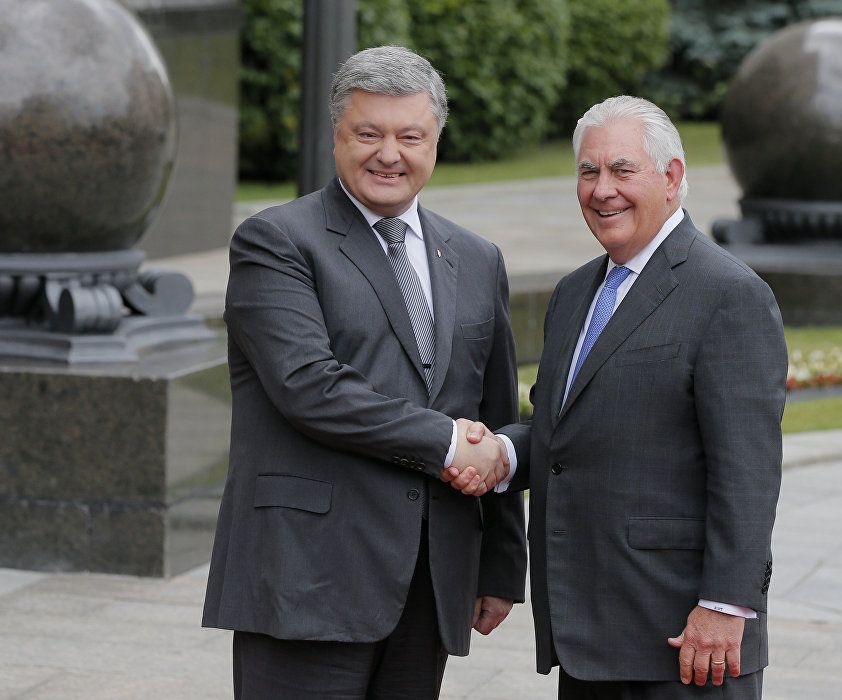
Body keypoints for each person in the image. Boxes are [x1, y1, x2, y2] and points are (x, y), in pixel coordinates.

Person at [202, 45, 526, 699]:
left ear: (436, 141)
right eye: (368, 134)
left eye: (410, 137)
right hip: (307, 575)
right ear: (336, 136)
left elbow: (494, 410)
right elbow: (309, 386)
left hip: (430, 580)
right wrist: (448, 443)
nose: (389, 154)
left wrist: (499, 564)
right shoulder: (276, 242)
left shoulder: (476, 257)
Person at [449, 95, 787, 699]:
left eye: (622, 170)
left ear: (672, 177)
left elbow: (747, 470)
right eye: (588, 171)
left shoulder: (729, 294)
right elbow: (562, 431)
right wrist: (501, 453)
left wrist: (725, 604)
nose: (602, 190)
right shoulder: (574, 292)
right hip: (588, 636)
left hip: (685, 642)